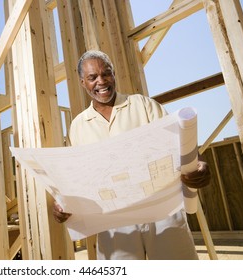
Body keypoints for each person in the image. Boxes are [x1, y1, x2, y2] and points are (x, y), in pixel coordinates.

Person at [53, 50, 211, 260]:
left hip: (161, 212)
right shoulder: (78, 127)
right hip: (113, 222)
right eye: (92, 77)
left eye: (106, 73)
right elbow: (77, 179)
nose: (101, 81)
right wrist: (64, 204)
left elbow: (180, 143)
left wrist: (199, 164)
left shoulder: (143, 105)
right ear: (83, 82)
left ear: (113, 74)